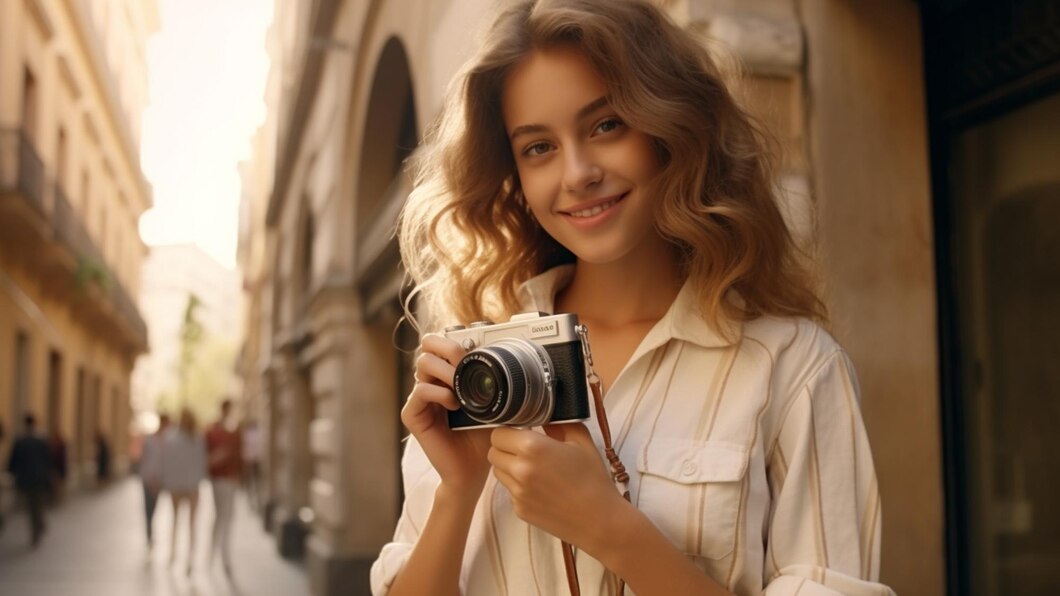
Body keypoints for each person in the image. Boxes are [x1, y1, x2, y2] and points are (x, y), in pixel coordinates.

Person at [370, 1, 895, 595]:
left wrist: (610, 528)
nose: (577, 174)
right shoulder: (483, 375)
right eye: (538, 147)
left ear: (672, 129)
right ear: (513, 174)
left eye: (606, 125)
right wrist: (458, 490)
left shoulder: (792, 368)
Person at [161, 408, 207, 574]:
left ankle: (174, 555)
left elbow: (165, 462)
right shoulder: (197, 439)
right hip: (191, 485)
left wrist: (166, 482)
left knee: (176, 521)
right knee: (191, 524)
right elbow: (202, 464)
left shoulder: (171, 437)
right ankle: (188, 559)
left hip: (177, 485)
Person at [205, 399, 242, 573]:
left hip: (226, 479)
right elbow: (206, 456)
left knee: (224, 517)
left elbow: (238, 456)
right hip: (221, 479)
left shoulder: (230, 431)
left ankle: (219, 555)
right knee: (223, 516)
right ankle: (217, 555)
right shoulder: (217, 431)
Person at [6, 413, 53, 547]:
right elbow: (48, 460)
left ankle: (36, 529)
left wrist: (11, 472)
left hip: (26, 479)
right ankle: (40, 524)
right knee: (37, 504)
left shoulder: (20, 440)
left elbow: (13, 460)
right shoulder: (41, 440)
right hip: (39, 479)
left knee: (31, 506)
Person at [140, 413, 170, 551]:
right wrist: (148, 477)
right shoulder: (150, 440)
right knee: (148, 509)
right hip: (148, 479)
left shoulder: (168, 441)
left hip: (159, 481)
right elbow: (145, 460)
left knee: (154, 508)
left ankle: (151, 533)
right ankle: (148, 534)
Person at [240, 419, 262, 511]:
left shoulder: (247, 434)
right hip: (251, 461)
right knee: (252, 482)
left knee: (253, 482)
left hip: (252, 461)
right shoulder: (250, 434)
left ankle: (253, 501)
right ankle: (252, 501)